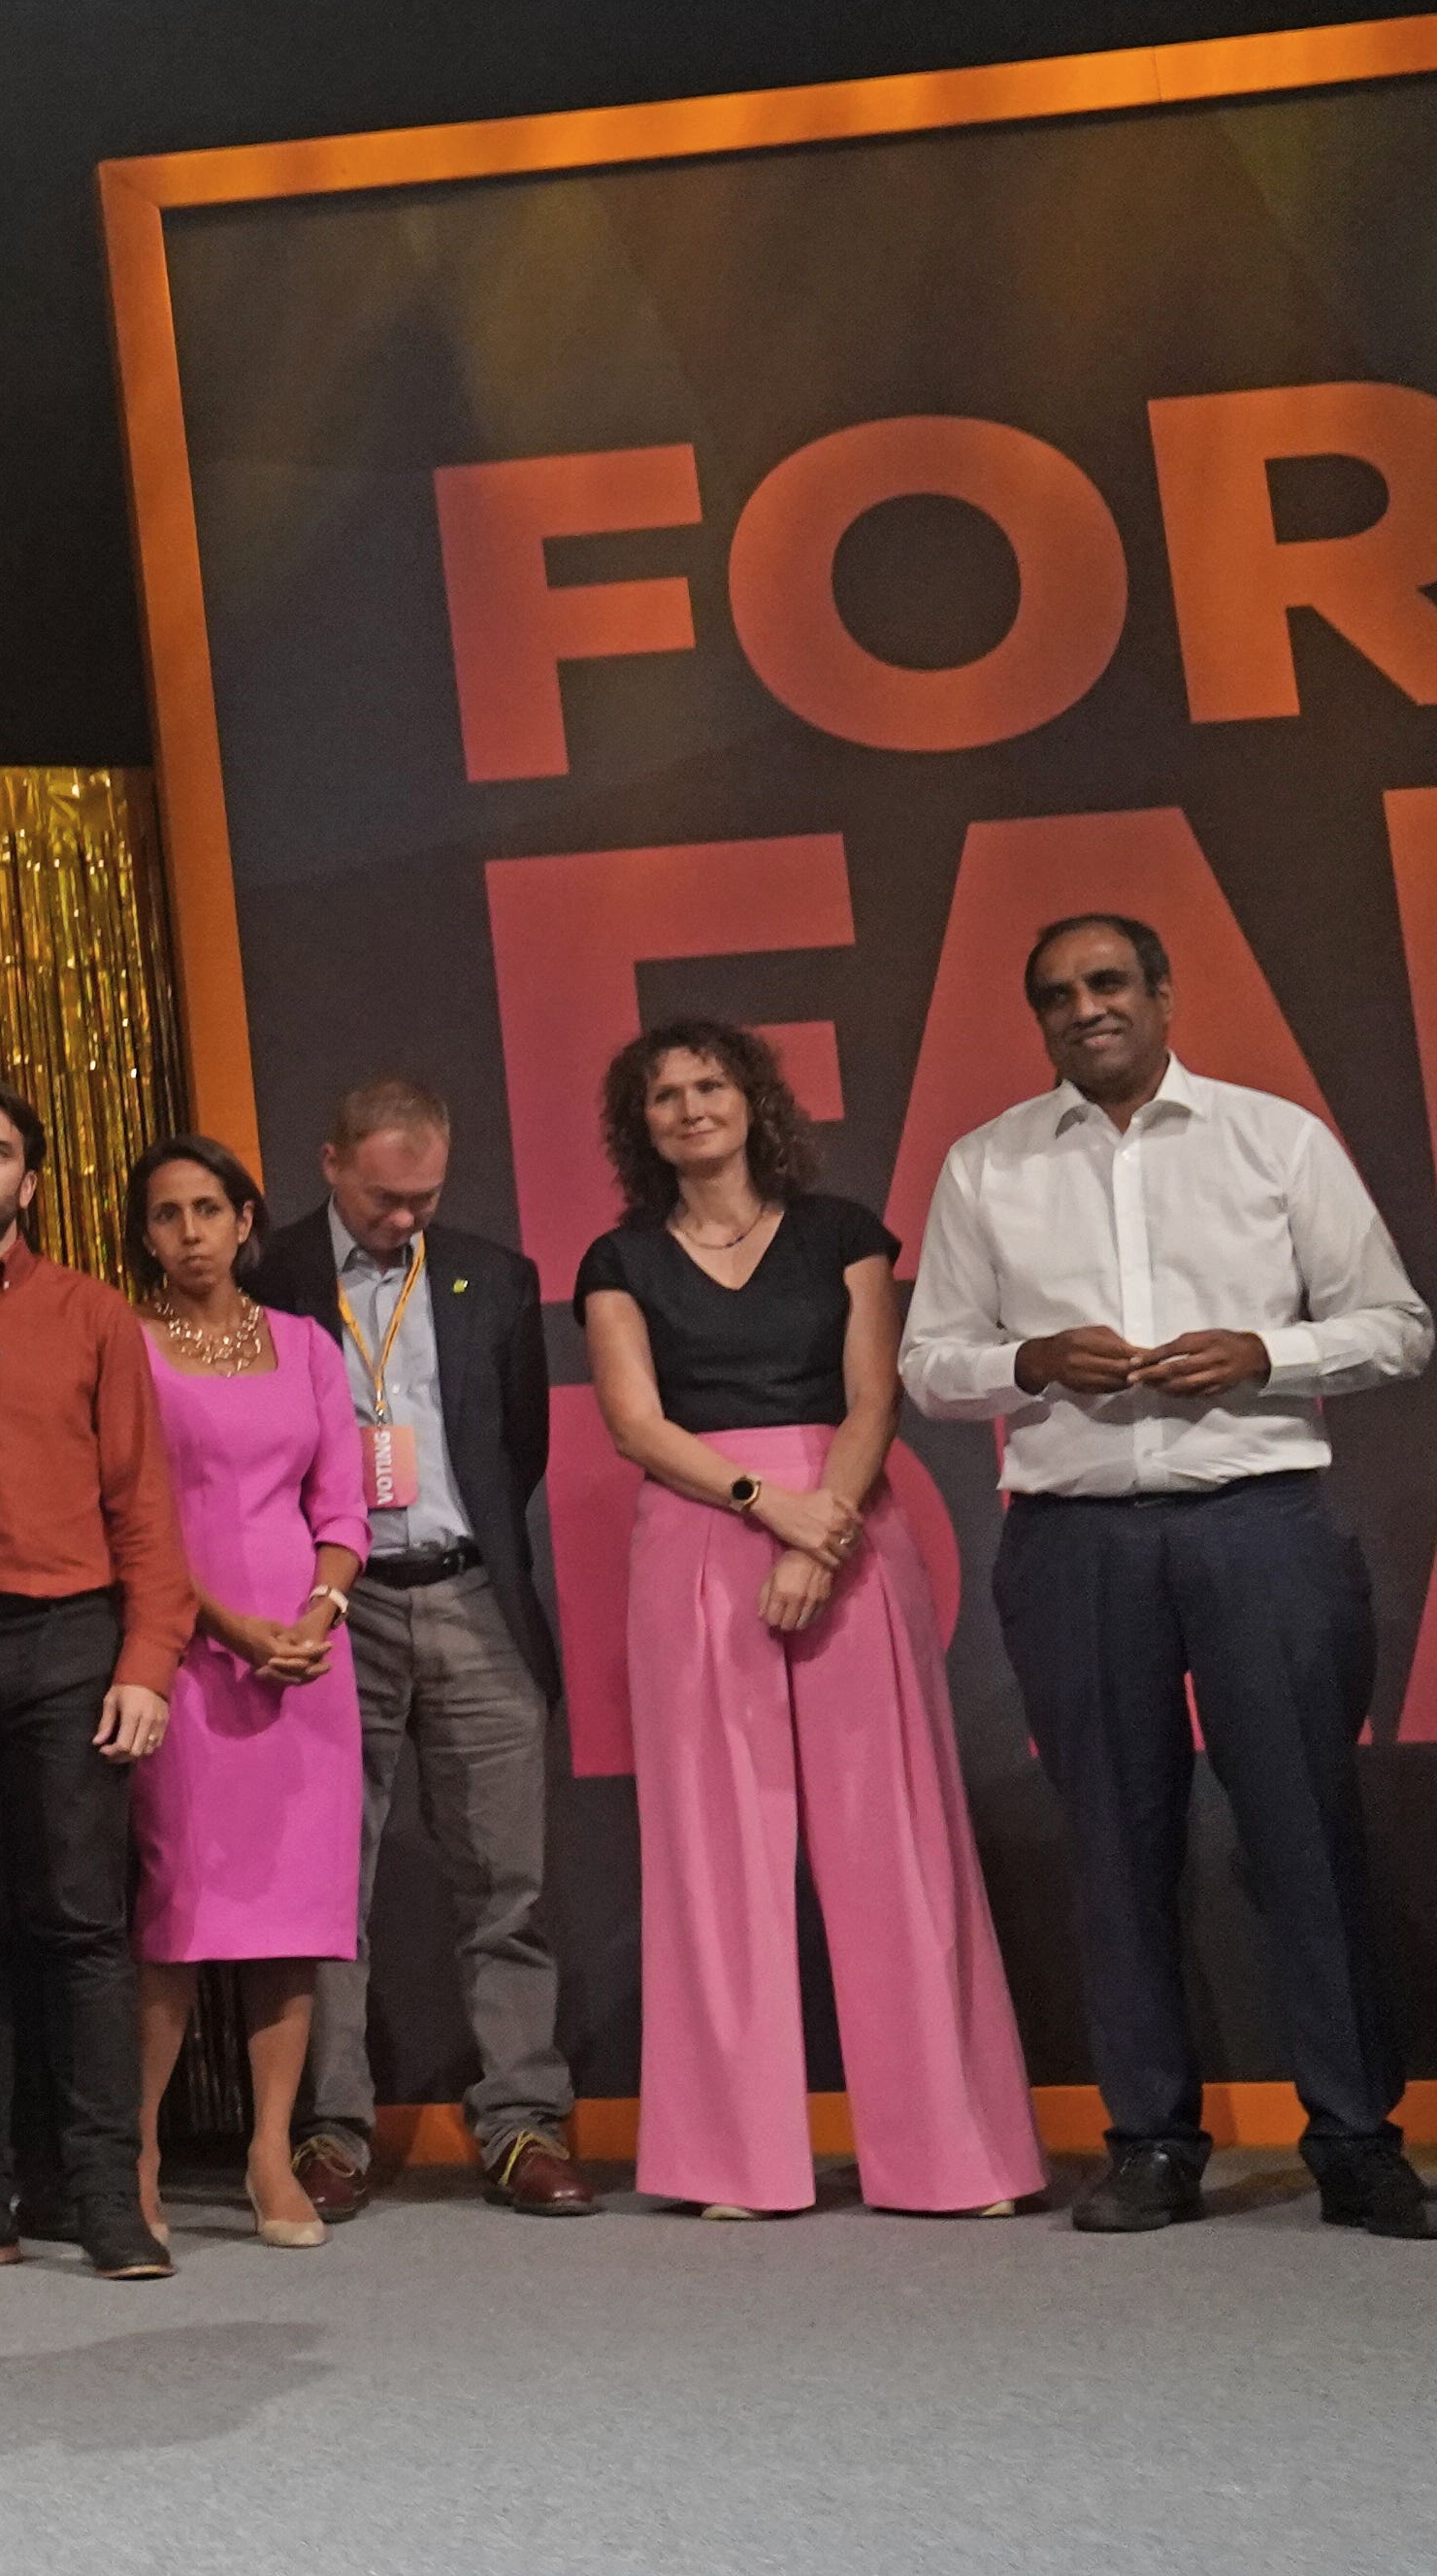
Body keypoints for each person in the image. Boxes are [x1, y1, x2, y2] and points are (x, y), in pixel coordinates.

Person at [905, 916, 1430, 2238]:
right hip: (1076, 1540)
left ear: (1161, 992)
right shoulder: (988, 1166)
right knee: (1116, 1843)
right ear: (1039, 1021)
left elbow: (1397, 1326)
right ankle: (1150, 2138)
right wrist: (1028, 1363)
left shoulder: (1274, 1138)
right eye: (1057, 996)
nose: (1085, 1010)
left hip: (1259, 1524)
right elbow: (929, 1363)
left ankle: (1357, 2138)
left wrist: (1264, 1353)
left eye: (1107, 984)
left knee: (1305, 1830)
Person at [583, 1024, 1035, 2222]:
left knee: (893, 1839)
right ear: (641, 1125)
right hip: (695, 1535)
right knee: (712, 1853)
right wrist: (766, 1508)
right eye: (662, 1096)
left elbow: (873, 1393)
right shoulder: (618, 1257)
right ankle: (732, 2163)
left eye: (708, 1086)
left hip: (847, 1530)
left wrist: (819, 1528)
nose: (687, 1109)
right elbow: (633, 1423)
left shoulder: (842, 1235)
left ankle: (950, 2155)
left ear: (751, 1100)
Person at [241, 1077, 580, 2220]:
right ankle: (331, 2132)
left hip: (471, 1593)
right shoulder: (266, 1275)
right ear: (329, 1162)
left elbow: (511, 1449)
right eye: (385, 1200)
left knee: (506, 1881)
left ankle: (521, 2120)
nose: (405, 1223)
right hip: (327, 1608)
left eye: (423, 1199)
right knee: (329, 1882)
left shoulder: (494, 1276)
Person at [0, 1076, 188, 2281]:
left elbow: (146, 1507)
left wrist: (147, 1662)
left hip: (71, 1644)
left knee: (82, 1925)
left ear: (28, 1179)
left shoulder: (92, 1314)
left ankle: (104, 2194)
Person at [117, 1138, 364, 2253]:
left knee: (290, 1914)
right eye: (164, 1216)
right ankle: (137, 2149)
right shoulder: (126, 1345)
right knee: (175, 1911)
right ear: (145, 1235)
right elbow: (129, 1511)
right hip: (182, 1644)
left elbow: (344, 1506)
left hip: (305, 1660)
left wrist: (315, 1617)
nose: (187, 1233)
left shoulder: (308, 1344)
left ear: (244, 1218)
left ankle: (271, 2149)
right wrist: (221, 1623)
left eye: (206, 1209)